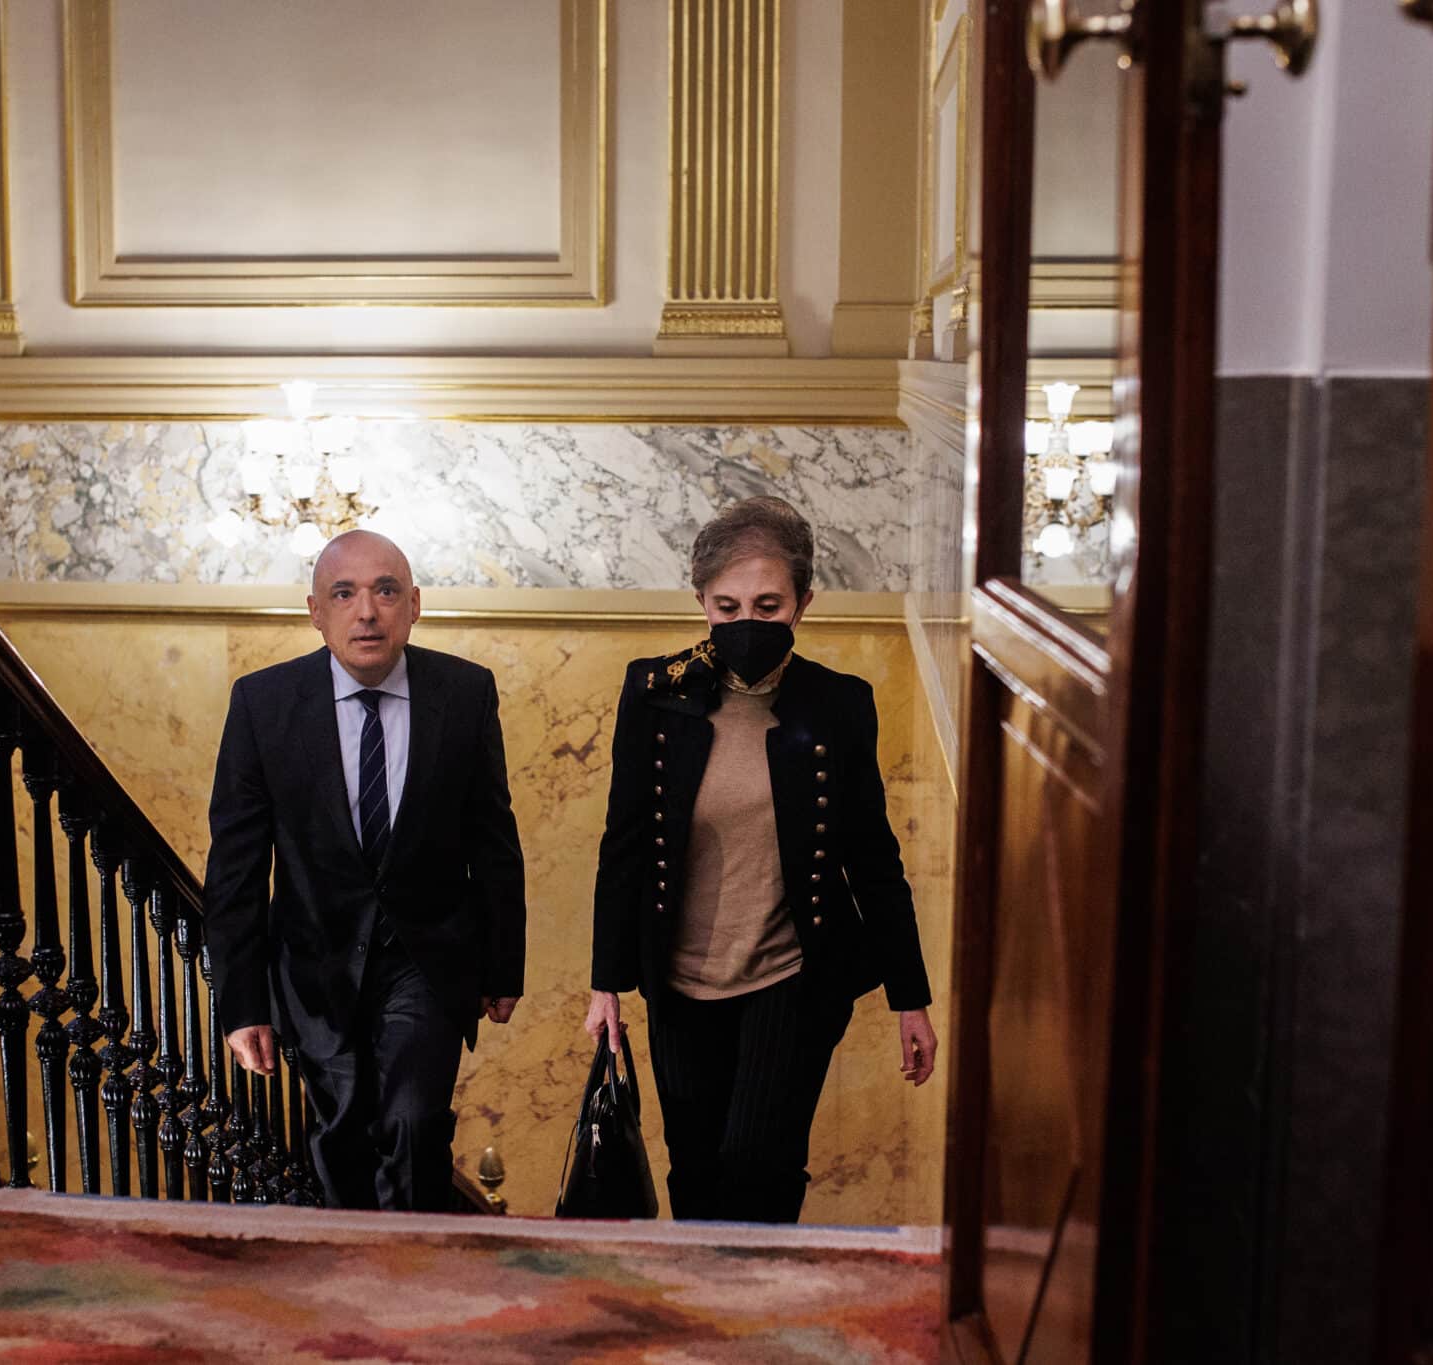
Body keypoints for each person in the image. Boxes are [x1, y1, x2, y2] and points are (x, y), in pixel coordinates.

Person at [584, 496, 937, 1224]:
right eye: (728, 604)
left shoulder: (838, 704)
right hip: (679, 981)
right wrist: (604, 985)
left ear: (804, 602)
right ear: (701, 602)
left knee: (758, 1162)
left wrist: (911, 997)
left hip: (793, 975)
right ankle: (704, 1319)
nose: (747, 621)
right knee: (695, 1166)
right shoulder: (655, 693)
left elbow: (873, 855)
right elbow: (624, 842)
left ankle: (759, 1317)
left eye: (768, 604)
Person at [202, 529, 526, 1212]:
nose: (367, 611)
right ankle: (351, 1278)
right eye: (344, 593)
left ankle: (407, 1286)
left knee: (411, 1122)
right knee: (342, 1130)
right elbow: (234, 864)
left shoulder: (465, 694)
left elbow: (492, 836)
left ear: (414, 605)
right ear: (316, 610)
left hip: (426, 959)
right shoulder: (263, 703)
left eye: (384, 590)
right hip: (315, 965)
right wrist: (241, 1002)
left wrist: (503, 966)